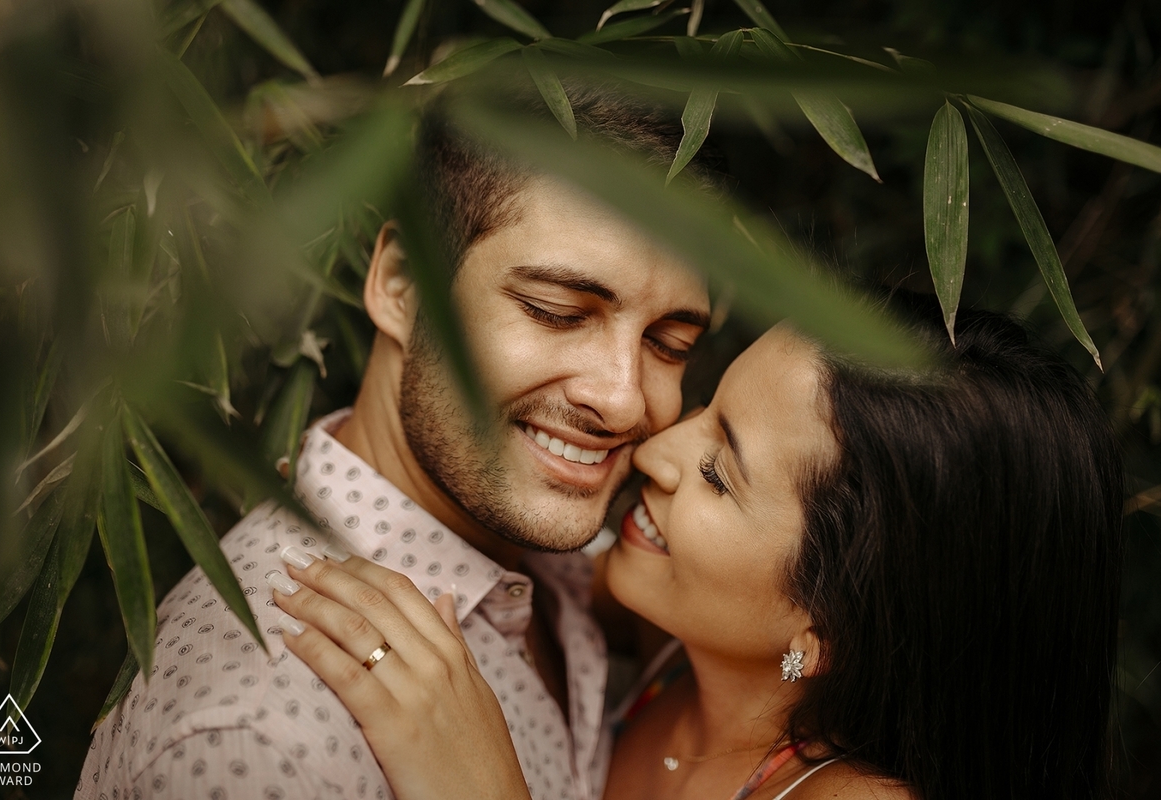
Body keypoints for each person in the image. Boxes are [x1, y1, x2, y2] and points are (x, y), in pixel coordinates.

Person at [75, 85, 718, 800]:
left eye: (669, 343)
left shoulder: (572, 582)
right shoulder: (259, 738)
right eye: (558, 313)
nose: (626, 398)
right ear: (401, 286)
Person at [273, 295, 1123, 800]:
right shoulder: (663, 643)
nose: (653, 449)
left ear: (824, 628)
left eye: (719, 473)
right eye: (708, 407)